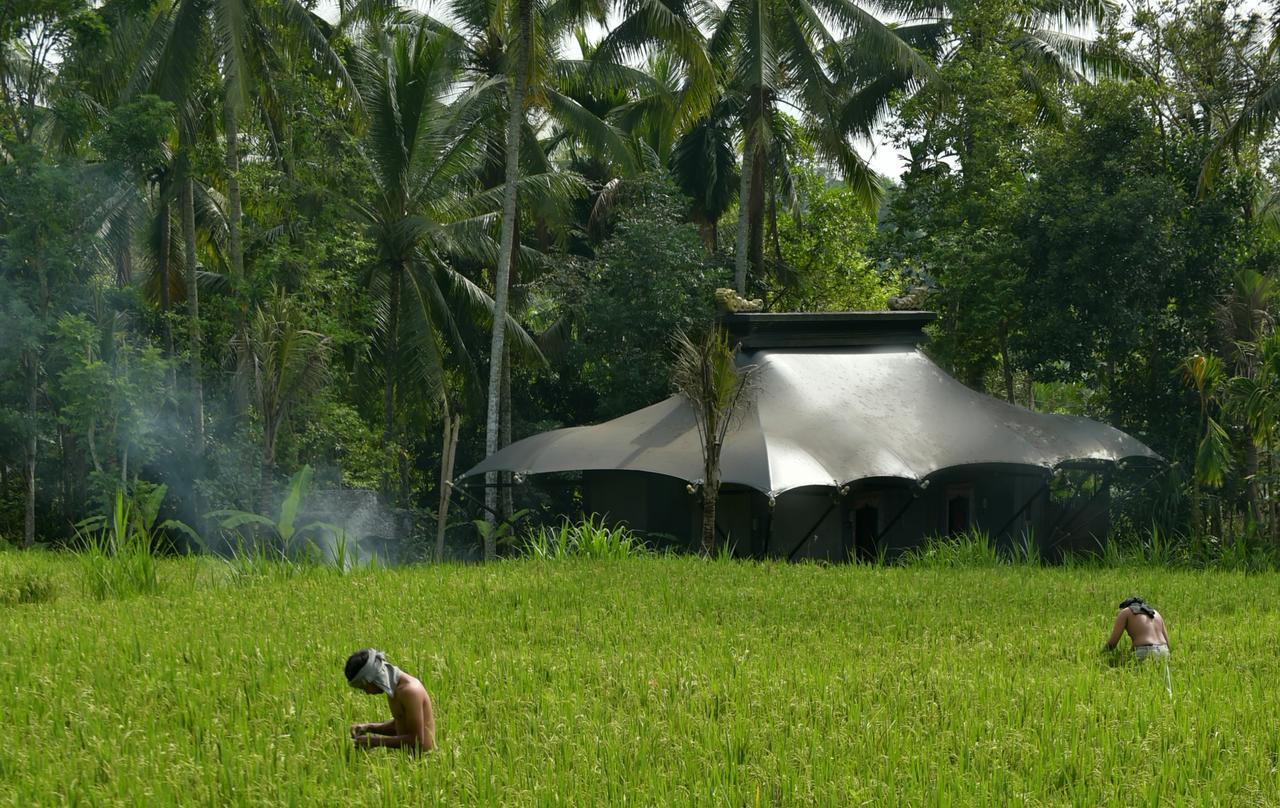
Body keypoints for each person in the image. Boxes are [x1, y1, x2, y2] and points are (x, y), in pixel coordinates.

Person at [345, 648, 436, 751]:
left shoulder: (410, 691)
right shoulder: (393, 688)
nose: (366, 692)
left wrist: (374, 741)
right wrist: (368, 727)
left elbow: (416, 740)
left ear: (373, 677)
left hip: (426, 762)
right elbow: (400, 724)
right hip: (408, 761)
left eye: (364, 687)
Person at [1103, 597, 1170, 660]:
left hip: (1145, 652)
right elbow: (1168, 643)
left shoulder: (1126, 611)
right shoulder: (1155, 613)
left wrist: (1100, 654)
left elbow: (1112, 643)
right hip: (1164, 651)